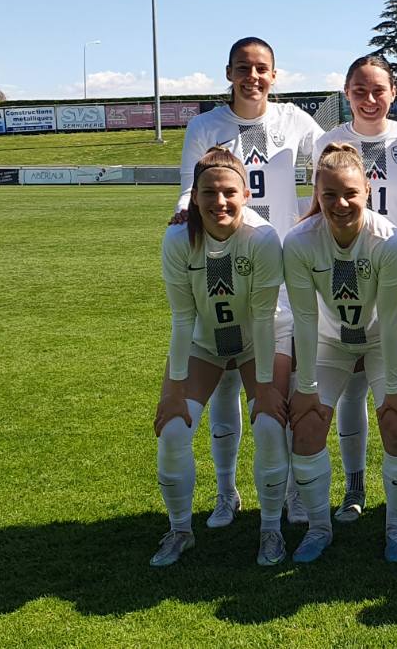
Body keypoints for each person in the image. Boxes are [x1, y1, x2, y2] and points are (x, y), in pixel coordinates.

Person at [171, 37, 322, 530]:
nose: (252, 77)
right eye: (243, 68)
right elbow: (188, 189)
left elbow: (336, 155)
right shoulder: (205, 126)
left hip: (279, 263)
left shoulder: (294, 120)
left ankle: (293, 493)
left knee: (279, 386)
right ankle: (226, 492)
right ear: (229, 73)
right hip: (222, 256)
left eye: (261, 69)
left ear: (274, 75)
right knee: (224, 382)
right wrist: (181, 216)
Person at [152, 147, 294, 567]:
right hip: (204, 342)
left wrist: (266, 387)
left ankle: (270, 529)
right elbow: (182, 318)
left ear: (246, 194)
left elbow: (264, 317)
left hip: (256, 341)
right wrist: (173, 391)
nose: (220, 201)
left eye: (229, 192)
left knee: (268, 423)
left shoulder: (262, 238)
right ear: (193, 197)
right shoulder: (178, 239)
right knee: (173, 429)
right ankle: (180, 530)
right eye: (209, 192)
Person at [313, 56, 397, 525]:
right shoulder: (326, 142)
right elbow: (317, 206)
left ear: (393, 93)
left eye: (378, 90)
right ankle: (355, 485)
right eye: (359, 90)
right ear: (346, 93)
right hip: (343, 276)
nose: (369, 99)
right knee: (351, 388)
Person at [281, 143, 397, 562]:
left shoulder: (388, 241)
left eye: (350, 193)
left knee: (396, 422)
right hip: (330, 341)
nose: (340, 204)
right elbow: (305, 319)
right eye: (330, 195)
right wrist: (305, 387)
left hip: (379, 340)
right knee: (306, 426)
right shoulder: (299, 241)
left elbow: (389, 322)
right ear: (316, 195)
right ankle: (318, 528)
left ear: (367, 190)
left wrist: (395, 389)